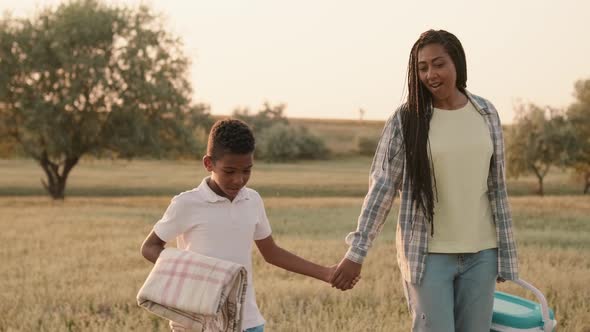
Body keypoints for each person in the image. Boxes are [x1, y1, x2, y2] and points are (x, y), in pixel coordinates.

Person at [330, 29, 519, 331]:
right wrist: (356, 252)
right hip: (428, 257)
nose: (431, 74)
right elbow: (382, 188)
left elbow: (497, 188)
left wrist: (506, 255)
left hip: (482, 253)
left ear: (457, 63)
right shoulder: (406, 120)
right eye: (422, 67)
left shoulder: (485, 113)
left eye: (439, 63)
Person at [141, 119, 357, 332]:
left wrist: (327, 274)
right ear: (209, 164)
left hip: (248, 322)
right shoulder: (187, 203)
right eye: (229, 171)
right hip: (198, 322)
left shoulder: (252, 200)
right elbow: (150, 247)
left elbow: (272, 253)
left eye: (247, 171)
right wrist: (196, 273)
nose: (238, 180)